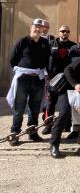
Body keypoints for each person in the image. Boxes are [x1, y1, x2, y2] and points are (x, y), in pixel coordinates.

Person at [7, 18, 51, 146]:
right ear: (30, 28)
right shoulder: (22, 42)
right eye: (35, 27)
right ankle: (15, 132)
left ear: (43, 29)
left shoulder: (45, 43)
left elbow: (47, 59)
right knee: (19, 107)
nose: (38, 29)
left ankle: (32, 132)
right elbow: (13, 60)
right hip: (23, 79)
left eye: (40, 27)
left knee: (35, 107)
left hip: (38, 79)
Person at [42, 25, 76, 135]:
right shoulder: (51, 44)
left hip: (66, 80)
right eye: (62, 31)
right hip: (52, 79)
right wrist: (46, 74)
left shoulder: (73, 46)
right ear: (59, 32)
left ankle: (66, 124)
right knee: (50, 103)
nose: (65, 33)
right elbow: (44, 60)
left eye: (67, 31)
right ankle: (48, 125)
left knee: (66, 104)